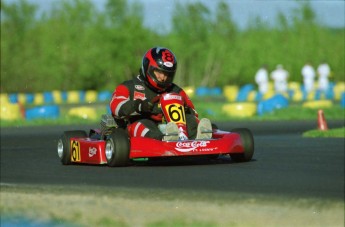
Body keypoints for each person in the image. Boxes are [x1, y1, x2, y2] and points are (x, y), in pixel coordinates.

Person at [109, 47, 212, 141]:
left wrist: (186, 110)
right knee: (142, 124)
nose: (163, 78)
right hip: (135, 128)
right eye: (159, 72)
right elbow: (115, 107)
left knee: (191, 120)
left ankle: (200, 138)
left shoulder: (176, 90)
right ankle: (163, 139)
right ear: (148, 67)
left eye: (167, 74)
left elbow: (193, 112)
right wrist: (138, 106)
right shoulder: (128, 86)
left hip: (170, 127)